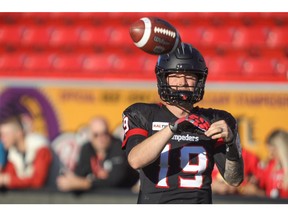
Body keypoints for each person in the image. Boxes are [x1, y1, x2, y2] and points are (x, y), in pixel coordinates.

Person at [121, 43, 244, 204]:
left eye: (190, 76)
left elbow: (234, 180)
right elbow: (135, 160)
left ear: (200, 80)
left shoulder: (216, 119)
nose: (183, 82)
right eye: (175, 75)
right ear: (163, 78)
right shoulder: (142, 114)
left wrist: (231, 143)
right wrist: (173, 127)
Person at [56, 116, 138, 192]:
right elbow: (80, 174)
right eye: (96, 135)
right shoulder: (87, 148)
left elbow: (115, 181)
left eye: (104, 133)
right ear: (90, 136)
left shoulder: (119, 146)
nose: (101, 138)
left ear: (109, 133)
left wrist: (81, 184)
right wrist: (72, 180)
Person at [0, 116, 52, 189]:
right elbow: (10, 175)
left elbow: (38, 181)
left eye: (5, 134)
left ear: (19, 133)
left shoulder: (41, 149)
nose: (2, 139)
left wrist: (7, 180)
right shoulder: (12, 153)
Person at [258, 129, 288, 199]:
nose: (270, 155)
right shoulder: (269, 166)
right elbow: (265, 192)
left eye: (273, 151)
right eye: (269, 151)